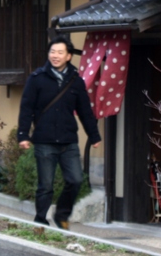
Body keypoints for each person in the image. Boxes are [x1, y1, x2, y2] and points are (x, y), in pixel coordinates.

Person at [17, 35, 101, 229]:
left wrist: (94, 135)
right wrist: (23, 134)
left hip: (68, 141)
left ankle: (61, 214)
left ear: (69, 56)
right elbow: (26, 108)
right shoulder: (37, 78)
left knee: (76, 180)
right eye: (52, 52)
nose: (55, 56)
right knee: (45, 185)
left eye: (60, 52)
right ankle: (40, 220)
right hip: (44, 141)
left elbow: (85, 111)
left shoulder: (76, 81)